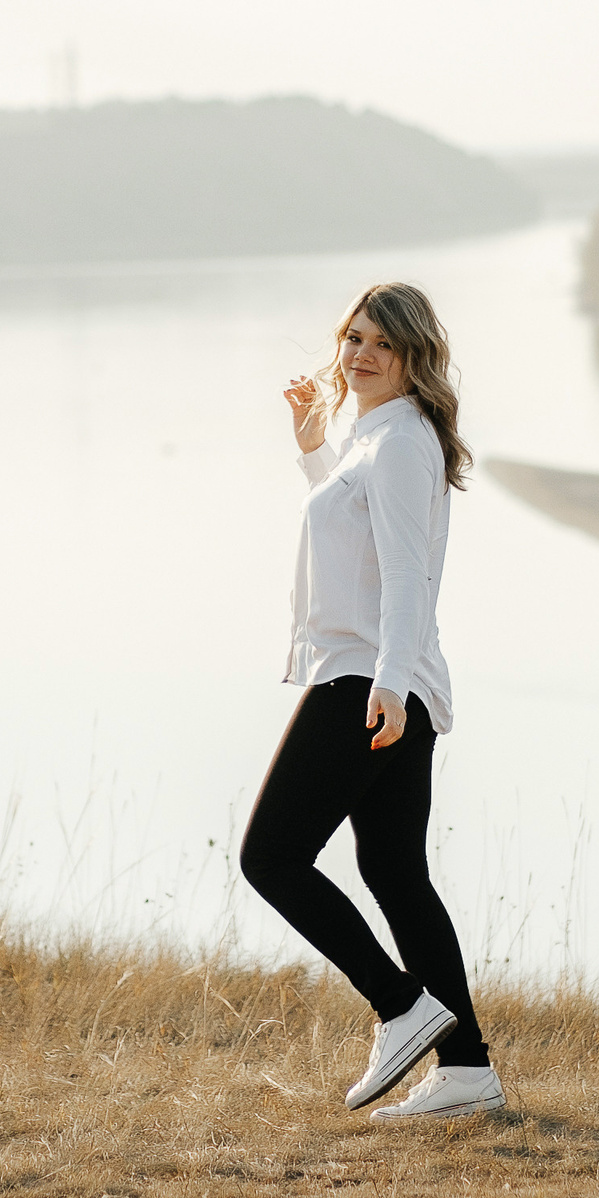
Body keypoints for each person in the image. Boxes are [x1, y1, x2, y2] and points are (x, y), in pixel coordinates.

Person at [239, 281, 504, 1122]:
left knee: (270, 857)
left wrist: (388, 683)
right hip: (388, 680)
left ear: (414, 359)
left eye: (380, 345)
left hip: (366, 680)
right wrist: (314, 446)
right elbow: (352, 538)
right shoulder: (376, 439)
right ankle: (465, 1070)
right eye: (352, 337)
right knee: (395, 874)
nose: (359, 355)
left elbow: (405, 577)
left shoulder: (397, 444)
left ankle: (401, 1007)